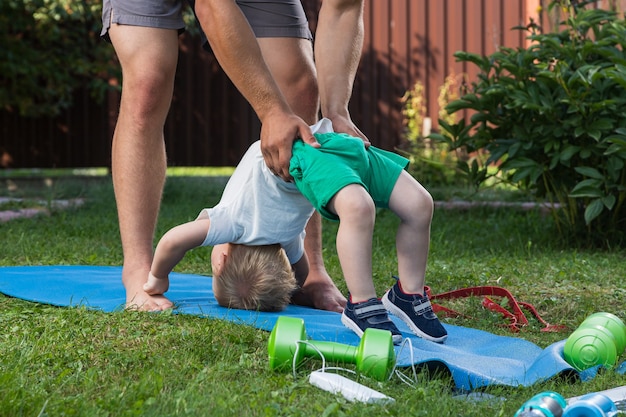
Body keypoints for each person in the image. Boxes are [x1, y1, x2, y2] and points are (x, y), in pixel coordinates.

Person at [101, 0, 366, 312]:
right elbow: (212, 6)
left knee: (301, 89)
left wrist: (337, 112)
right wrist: (271, 111)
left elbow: (345, 6)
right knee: (148, 82)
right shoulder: (227, 226)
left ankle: (314, 277)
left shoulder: (226, 226)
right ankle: (137, 270)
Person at [144, 119, 448, 344]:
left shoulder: (234, 224)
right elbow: (173, 241)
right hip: (327, 147)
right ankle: (407, 293)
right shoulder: (267, 236)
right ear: (220, 262)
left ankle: (365, 303)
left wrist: (156, 280)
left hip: (292, 158)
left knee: (359, 208)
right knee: (419, 205)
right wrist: (159, 277)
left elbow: (300, 278)